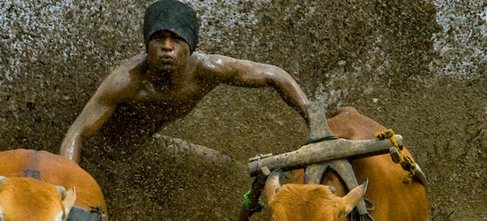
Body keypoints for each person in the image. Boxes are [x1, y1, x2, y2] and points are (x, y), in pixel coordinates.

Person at [59, 0, 311, 164]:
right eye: (159, 38)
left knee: (225, 166)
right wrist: (68, 185)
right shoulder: (127, 81)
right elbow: (76, 135)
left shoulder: (208, 70)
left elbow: (274, 75)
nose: (167, 47)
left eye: (176, 39)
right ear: (147, 43)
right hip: (102, 155)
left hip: (150, 148)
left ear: (190, 45)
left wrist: (315, 121)